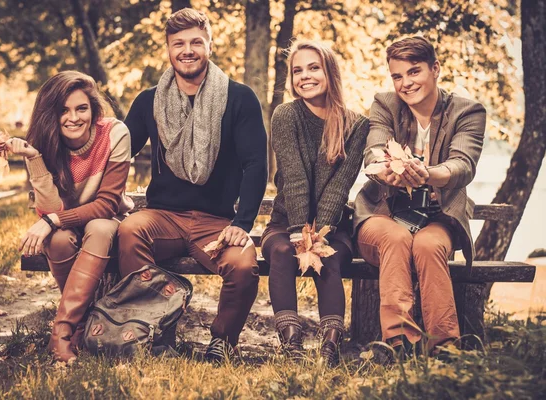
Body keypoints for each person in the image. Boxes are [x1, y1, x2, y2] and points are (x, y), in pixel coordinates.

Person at [118, 8, 267, 362]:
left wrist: (242, 224)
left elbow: (256, 165)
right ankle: (156, 334)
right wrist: (111, 196)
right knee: (129, 231)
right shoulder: (149, 101)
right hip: (161, 217)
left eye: (196, 42)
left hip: (215, 222)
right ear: (168, 50)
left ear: (209, 46)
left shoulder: (238, 97)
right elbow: (118, 152)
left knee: (244, 266)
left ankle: (222, 342)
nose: (187, 50)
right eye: (178, 43)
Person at [353, 36, 486, 357]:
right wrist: (385, 170)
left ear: (435, 69)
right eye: (397, 76)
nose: (406, 83)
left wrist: (428, 173)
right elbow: (373, 151)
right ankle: (398, 344)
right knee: (396, 239)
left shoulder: (468, 112)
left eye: (414, 72)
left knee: (427, 246)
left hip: (438, 216)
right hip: (381, 214)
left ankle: (445, 347)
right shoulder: (385, 104)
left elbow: (462, 165)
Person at [7, 71, 134, 363]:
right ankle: (80, 326)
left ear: (93, 109)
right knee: (59, 242)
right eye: (63, 110)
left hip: (108, 221)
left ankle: (61, 333)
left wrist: (52, 221)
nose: (73, 118)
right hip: (68, 224)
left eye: (81, 108)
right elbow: (50, 207)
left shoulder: (115, 134)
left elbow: (106, 204)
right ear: (52, 114)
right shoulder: (46, 141)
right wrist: (34, 159)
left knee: (100, 228)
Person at [261, 40, 369, 368]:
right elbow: (293, 176)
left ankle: (329, 347)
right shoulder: (286, 115)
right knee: (281, 253)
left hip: (332, 226)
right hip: (285, 224)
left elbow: (340, 185)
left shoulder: (357, 124)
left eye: (313, 68)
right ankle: (292, 343)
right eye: (297, 71)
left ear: (329, 72)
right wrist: (298, 232)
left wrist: (319, 234)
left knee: (329, 256)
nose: (304, 76)